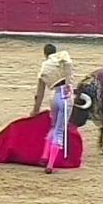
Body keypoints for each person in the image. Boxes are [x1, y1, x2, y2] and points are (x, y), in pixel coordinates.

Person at [30, 44, 74, 174]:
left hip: (54, 96)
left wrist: (35, 110)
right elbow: (69, 65)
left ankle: (44, 155)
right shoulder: (62, 59)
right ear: (55, 52)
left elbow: (40, 93)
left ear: (45, 54)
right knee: (59, 131)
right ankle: (50, 164)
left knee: (53, 127)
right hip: (66, 96)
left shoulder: (44, 68)